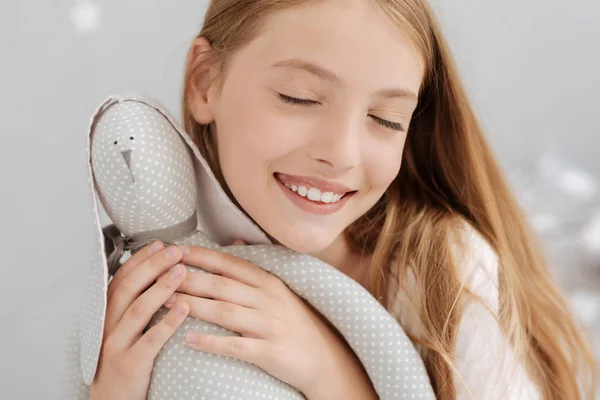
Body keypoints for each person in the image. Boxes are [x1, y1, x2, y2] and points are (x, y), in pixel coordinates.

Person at [86, 0, 598, 399]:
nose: (342, 153)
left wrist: (335, 376)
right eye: (299, 98)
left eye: (386, 120)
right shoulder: (150, 273)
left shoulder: (442, 270)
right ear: (205, 81)